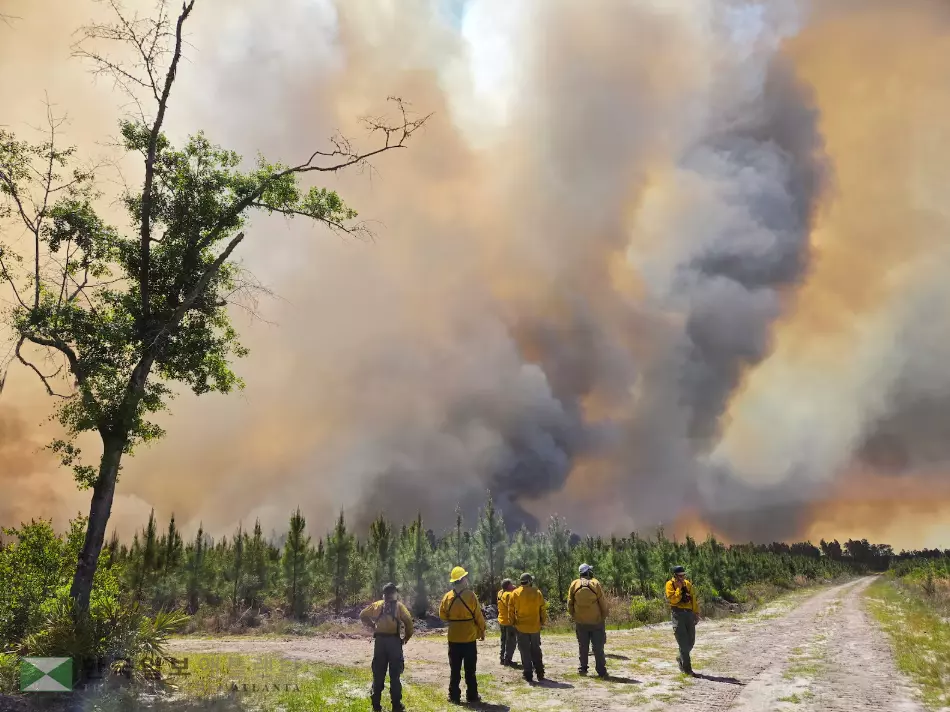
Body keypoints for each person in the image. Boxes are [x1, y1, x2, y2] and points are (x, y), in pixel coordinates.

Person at [359, 582, 414, 712]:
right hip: (394, 642)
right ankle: (396, 705)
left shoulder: (377, 605)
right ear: (395, 594)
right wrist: (406, 637)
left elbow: (362, 615)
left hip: (379, 643)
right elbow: (409, 623)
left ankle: (376, 705)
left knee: (378, 674)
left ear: (384, 594)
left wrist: (372, 626)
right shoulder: (399, 607)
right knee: (395, 675)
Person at [439, 566, 486, 705]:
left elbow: (442, 614)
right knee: (470, 669)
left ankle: (454, 696)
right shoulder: (470, 595)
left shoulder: (447, 596)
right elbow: (478, 615)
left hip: (453, 637)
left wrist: (453, 619)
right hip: (469, 637)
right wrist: (482, 630)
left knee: (455, 669)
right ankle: (472, 695)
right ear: (463, 579)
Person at [568, 563, 609, 677]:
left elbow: (569, 603)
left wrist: (575, 616)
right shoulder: (595, 583)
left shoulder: (574, 584)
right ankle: (601, 670)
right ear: (587, 572)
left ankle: (583, 668)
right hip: (596, 622)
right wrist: (603, 616)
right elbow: (603, 603)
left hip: (581, 622)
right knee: (598, 647)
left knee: (583, 646)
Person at [511, 572, 547, 683]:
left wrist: (513, 622)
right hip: (535, 627)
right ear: (530, 581)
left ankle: (528, 674)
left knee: (524, 651)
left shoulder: (515, 593)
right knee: (536, 649)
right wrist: (542, 621)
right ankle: (540, 673)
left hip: (521, 627)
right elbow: (542, 609)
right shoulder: (537, 592)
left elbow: (510, 610)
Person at [665, 565, 700, 675]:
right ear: (675, 576)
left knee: (691, 642)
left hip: (689, 614)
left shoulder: (688, 584)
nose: (682, 577)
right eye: (680, 576)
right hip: (678, 614)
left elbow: (693, 599)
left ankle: (680, 658)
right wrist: (679, 589)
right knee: (683, 644)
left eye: (683, 575)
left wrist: (696, 612)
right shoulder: (670, 585)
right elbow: (673, 600)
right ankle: (687, 669)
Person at [497, 578, 517, 667]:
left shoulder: (500, 593)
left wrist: (513, 588)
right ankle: (507, 660)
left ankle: (502, 658)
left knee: (503, 640)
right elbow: (512, 607)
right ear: (508, 586)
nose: (513, 585)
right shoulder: (509, 595)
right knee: (511, 642)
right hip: (509, 621)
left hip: (502, 620)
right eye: (511, 584)